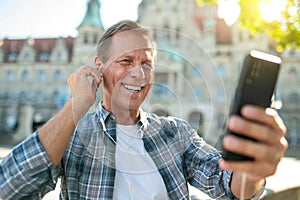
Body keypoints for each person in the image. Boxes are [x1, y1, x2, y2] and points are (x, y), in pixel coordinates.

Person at [0, 20, 288, 200]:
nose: (139, 74)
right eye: (126, 61)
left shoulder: (175, 133)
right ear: (98, 67)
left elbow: (230, 186)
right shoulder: (73, 137)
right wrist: (74, 109)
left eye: (146, 64)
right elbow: (8, 190)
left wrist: (253, 167)